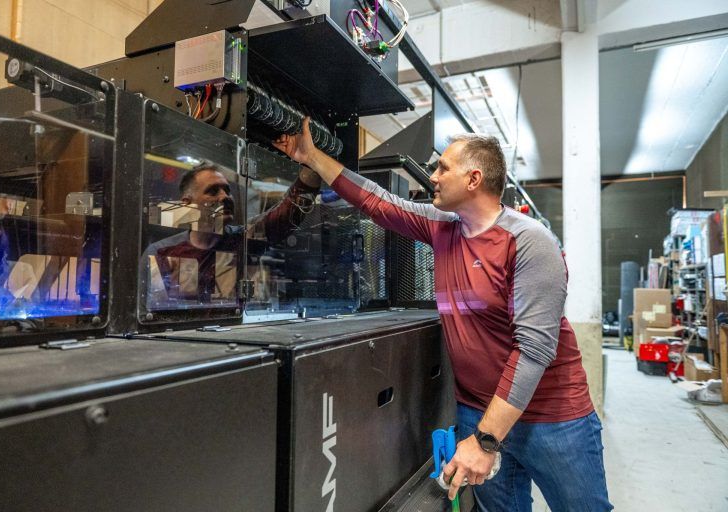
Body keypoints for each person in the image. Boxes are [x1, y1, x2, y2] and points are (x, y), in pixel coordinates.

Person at [273, 118, 612, 511]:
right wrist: (312, 157)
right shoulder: (443, 229)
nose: (433, 176)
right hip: (477, 411)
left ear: (474, 179)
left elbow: (534, 351)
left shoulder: (528, 241)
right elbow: (376, 201)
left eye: (443, 168)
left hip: (552, 419)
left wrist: (486, 440)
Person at [142, 160, 321, 308]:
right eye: (213, 191)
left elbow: (288, 213)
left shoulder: (242, 240)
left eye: (227, 190)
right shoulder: (161, 253)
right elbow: (153, 312)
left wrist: (313, 159)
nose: (225, 197)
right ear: (188, 204)